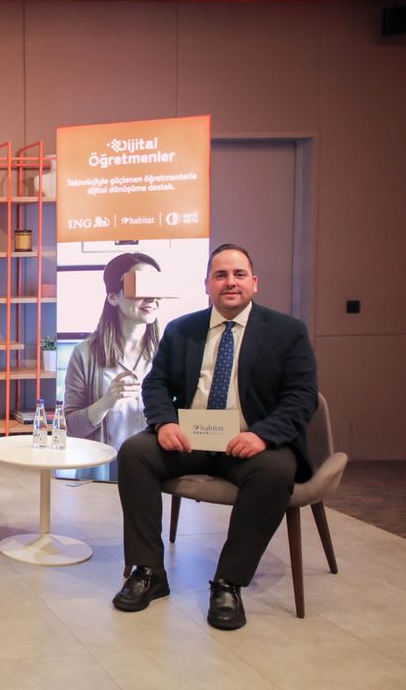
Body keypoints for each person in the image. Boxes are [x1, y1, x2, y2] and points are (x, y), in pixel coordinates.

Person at [112, 244, 318, 630]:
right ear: (207, 284)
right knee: (135, 452)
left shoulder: (288, 332)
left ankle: (228, 583)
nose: (230, 282)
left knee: (275, 471)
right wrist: (165, 422)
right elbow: (156, 384)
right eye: (220, 275)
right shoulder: (181, 329)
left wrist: (263, 435)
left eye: (239, 274)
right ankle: (148, 571)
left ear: (254, 283)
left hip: (250, 442)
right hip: (191, 439)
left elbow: (302, 397)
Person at [64, 252, 162, 465]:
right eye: (139, 287)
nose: (150, 298)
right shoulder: (84, 354)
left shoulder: (167, 352)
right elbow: (70, 427)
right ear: (113, 297)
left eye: (154, 287)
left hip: (154, 469)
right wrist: (105, 403)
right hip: (101, 472)